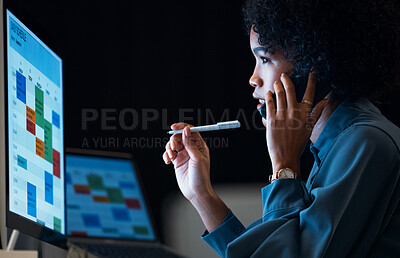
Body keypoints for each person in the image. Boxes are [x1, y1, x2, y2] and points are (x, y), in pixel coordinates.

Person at [162, 0, 400, 256]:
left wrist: (284, 167)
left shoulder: (366, 143)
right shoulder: (338, 145)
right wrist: (201, 195)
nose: (253, 79)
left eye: (265, 58)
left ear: (314, 62)